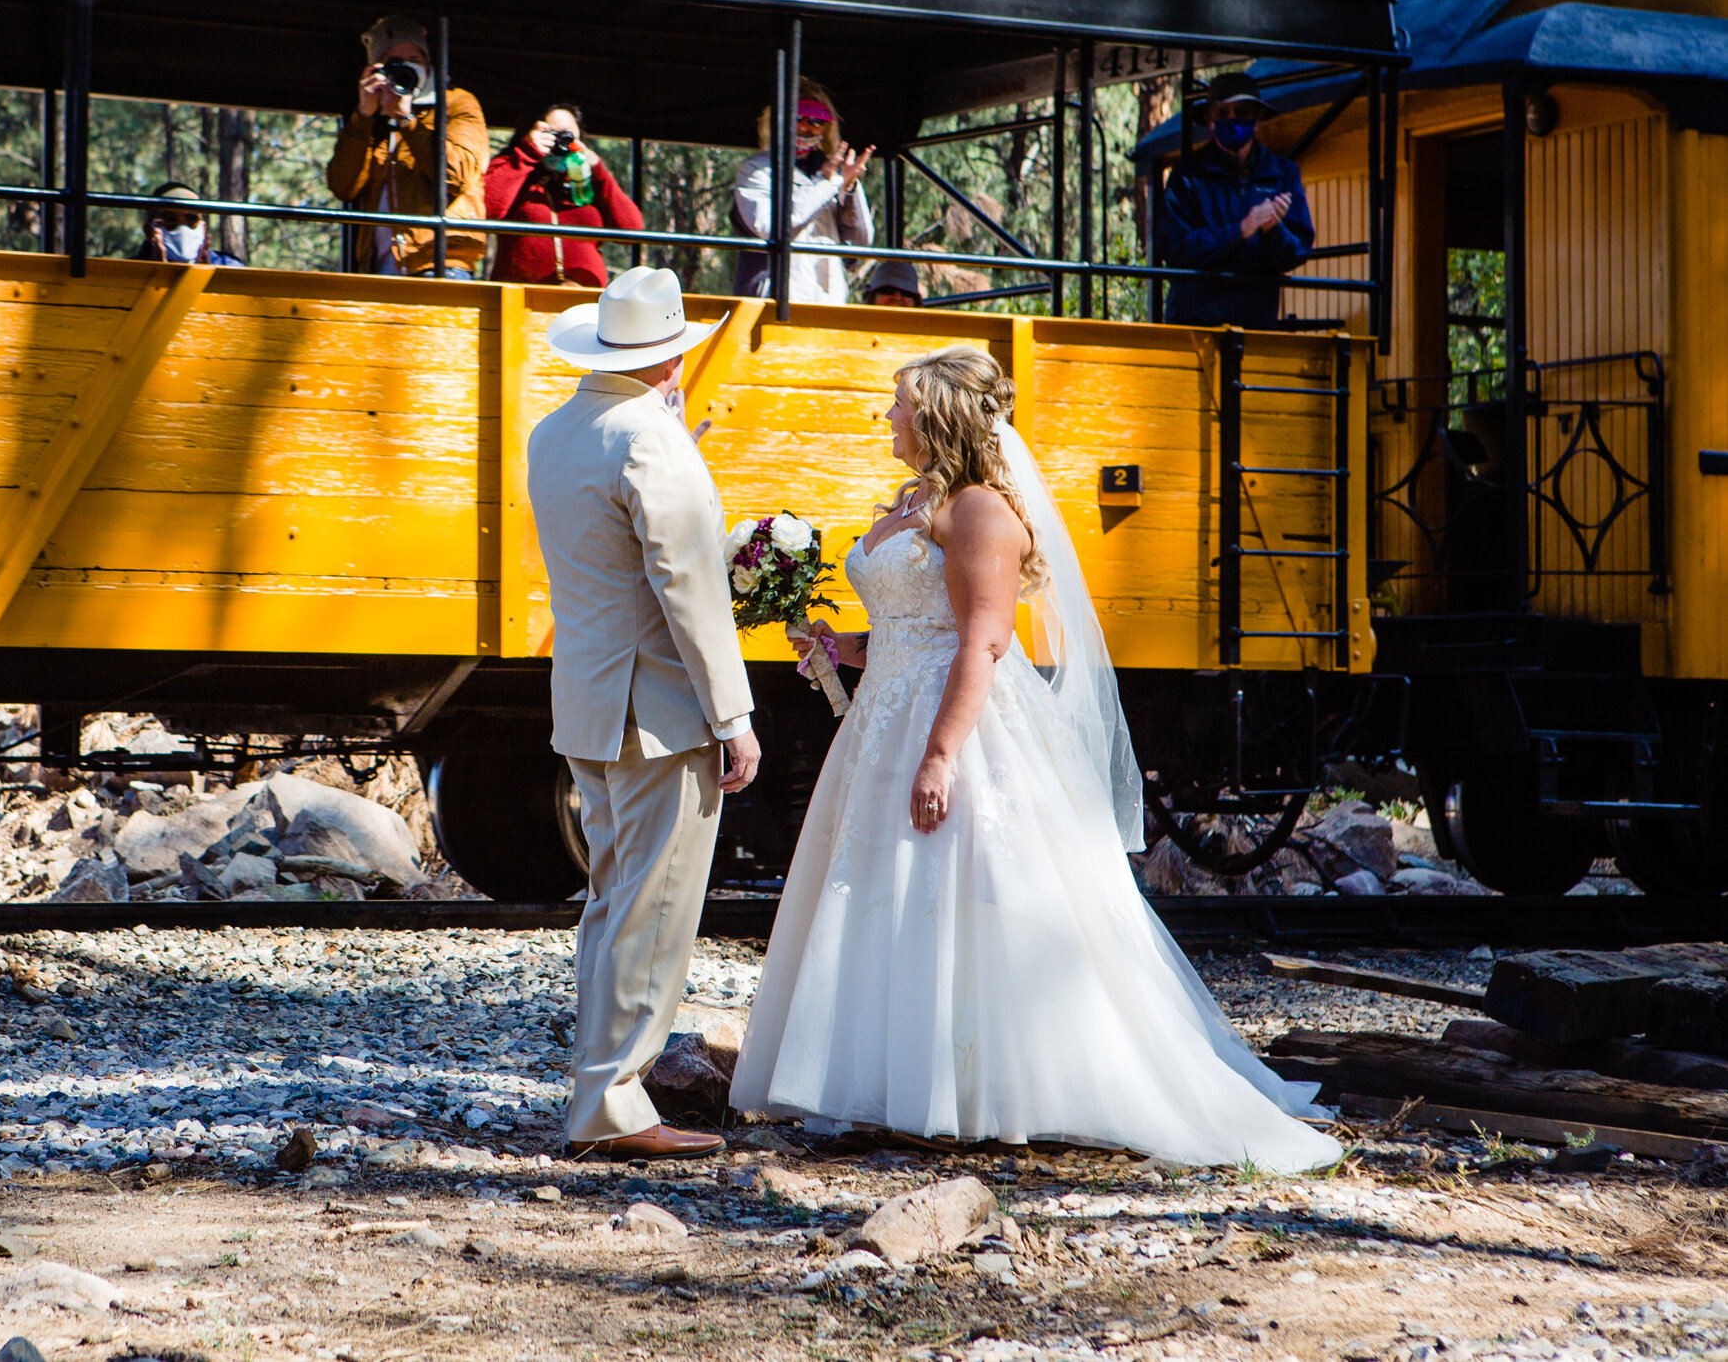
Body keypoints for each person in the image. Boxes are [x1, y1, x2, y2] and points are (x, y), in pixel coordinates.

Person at [727, 346, 1341, 1171]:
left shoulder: (980, 510)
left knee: (964, 894)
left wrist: (941, 753)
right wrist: (844, 648)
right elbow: (915, 634)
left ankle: (980, 1089)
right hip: (883, 723)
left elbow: (980, 642)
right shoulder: (917, 502)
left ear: (938, 414)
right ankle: (891, 1085)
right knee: (889, 900)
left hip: (959, 728)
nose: (888, 416)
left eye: (899, 403)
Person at [526, 265, 762, 1160]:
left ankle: (599, 1086)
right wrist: (733, 714)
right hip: (657, 710)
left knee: (610, 901)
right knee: (654, 909)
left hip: (589, 702)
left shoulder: (559, 430)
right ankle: (614, 1104)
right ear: (671, 358)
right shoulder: (650, 438)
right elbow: (690, 587)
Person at [324, 15, 486, 277]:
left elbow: (458, 176)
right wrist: (364, 117)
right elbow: (343, 186)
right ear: (377, 70)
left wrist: (406, 120)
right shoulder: (373, 121)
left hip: (441, 265)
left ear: (429, 64)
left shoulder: (456, 103)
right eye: (395, 63)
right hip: (380, 272)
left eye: (415, 60)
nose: (407, 69)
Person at [1156, 73, 1314, 327]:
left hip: (1255, 325)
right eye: (1222, 113)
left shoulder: (1283, 174)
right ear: (1209, 120)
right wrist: (1239, 230)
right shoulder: (1188, 176)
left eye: (1241, 112)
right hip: (1196, 323)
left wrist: (1273, 229)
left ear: (1257, 119)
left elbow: (1297, 252)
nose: (1232, 120)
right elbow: (1173, 247)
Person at [730, 79, 895, 305]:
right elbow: (770, 227)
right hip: (773, 303)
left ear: (826, 128)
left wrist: (848, 187)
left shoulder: (833, 173)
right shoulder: (756, 170)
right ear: (778, 120)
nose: (805, 127)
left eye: (816, 120)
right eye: (797, 118)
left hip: (828, 302)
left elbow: (858, 246)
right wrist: (826, 185)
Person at [482, 104, 643, 288]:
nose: (559, 141)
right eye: (551, 133)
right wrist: (527, 153)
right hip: (522, 300)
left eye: (567, 135)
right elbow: (486, 209)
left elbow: (632, 230)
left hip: (584, 297)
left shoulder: (590, 178)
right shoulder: (514, 164)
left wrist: (598, 172)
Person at [141, 183, 244, 265]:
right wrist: (155, 274)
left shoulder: (228, 266)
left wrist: (205, 277)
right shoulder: (131, 272)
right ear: (149, 231)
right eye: (171, 220)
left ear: (203, 228)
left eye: (191, 219)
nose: (183, 229)